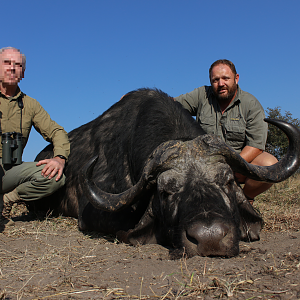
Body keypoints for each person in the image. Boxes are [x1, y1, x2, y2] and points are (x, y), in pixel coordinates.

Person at [174, 59, 278, 203]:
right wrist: (146, 98)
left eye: (225, 78)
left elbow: (256, 146)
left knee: (270, 165)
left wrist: (230, 166)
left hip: (237, 163)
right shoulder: (201, 94)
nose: (221, 83)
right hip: (203, 163)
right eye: (215, 80)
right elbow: (171, 105)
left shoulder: (251, 104)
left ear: (236, 78)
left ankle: (243, 201)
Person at [0, 47, 70, 221]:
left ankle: (8, 199)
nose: (12, 68)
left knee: (55, 178)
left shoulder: (30, 105)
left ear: (22, 73)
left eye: (17, 65)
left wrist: (59, 158)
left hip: (11, 170)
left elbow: (57, 131)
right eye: (6, 62)